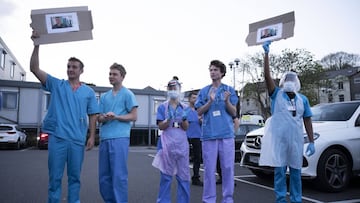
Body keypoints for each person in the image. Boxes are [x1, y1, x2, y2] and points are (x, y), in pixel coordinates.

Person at [30, 31, 100, 203]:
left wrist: (91, 136)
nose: (70, 69)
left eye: (74, 67)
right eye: (68, 66)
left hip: (77, 140)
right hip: (58, 139)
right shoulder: (57, 84)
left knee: (75, 178)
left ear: (81, 70)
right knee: (55, 178)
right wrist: (36, 44)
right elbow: (34, 69)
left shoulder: (88, 92)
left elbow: (93, 115)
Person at [259, 41, 315, 203]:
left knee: (296, 173)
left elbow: (307, 120)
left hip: (296, 141)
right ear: (283, 81)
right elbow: (267, 76)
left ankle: (297, 199)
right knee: (280, 172)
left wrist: (311, 141)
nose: (290, 81)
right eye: (287, 78)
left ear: (296, 82)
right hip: (279, 141)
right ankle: (281, 199)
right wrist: (266, 55)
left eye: (292, 79)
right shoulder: (276, 94)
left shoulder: (302, 99)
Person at [195, 60, 238, 203]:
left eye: (215, 70)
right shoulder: (204, 91)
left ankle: (228, 199)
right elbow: (199, 111)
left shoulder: (229, 90)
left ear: (222, 72)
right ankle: (209, 199)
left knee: (227, 169)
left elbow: (234, 112)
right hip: (209, 135)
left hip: (226, 134)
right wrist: (210, 102)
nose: (212, 72)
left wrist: (226, 101)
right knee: (209, 170)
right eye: (211, 70)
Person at [97, 63, 138, 203]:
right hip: (105, 138)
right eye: (110, 74)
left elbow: (133, 116)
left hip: (120, 138)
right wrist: (104, 118)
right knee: (104, 177)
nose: (111, 76)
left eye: (114, 74)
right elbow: (99, 118)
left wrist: (117, 116)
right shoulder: (104, 96)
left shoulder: (128, 94)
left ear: (122, 76)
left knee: (118, 176)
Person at [152, 76, 190, 203]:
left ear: (179, 89)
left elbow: (186, 128)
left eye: (175, 88)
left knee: (183, 176)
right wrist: (168, 120)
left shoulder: (184, 107)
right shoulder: (163, 107)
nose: (173, 90)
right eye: (170, 88)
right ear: (167, 90)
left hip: (181, 144)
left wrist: (184, 119)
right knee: (166, 177)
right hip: (167, 143)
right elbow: (160, 126)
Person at [186, 91, 203, 186]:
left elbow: (202, 123)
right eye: (193, 98)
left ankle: (196, 178)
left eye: (196, 98)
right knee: (185, 158)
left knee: (197, 158)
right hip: (187, 137)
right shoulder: (185, 110)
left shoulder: (199, 111)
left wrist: (201, 120)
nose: (195, 100)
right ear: (189, 99)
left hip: (198, 137)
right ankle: (183, 176)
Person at [216, 117, 240, 185]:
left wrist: (232, 133)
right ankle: (222, 177)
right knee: (219, 160)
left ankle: (229, 179)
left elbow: (236, 121)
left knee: (227, 161)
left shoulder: (228, 114)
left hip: (227, 138)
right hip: (218, 138)